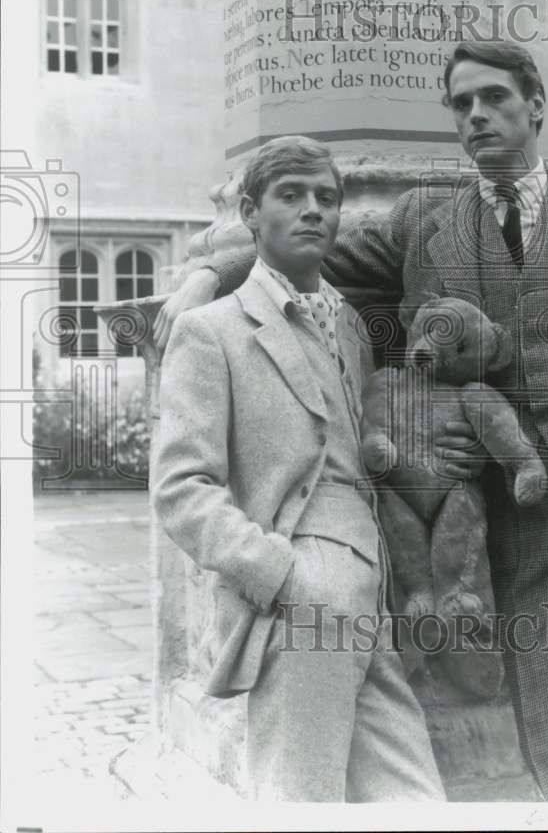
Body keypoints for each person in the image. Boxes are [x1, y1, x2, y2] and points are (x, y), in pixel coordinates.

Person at [154, 41, 548, 804]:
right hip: (517, 497)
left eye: (494, 99)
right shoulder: (425, 221)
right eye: (461, 105)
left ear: (536, 104)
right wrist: (204, 275)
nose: (477, 116)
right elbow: (307, 250)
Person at [152, 135, 447, 802]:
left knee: (417, 800)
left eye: (327, 198)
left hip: (374, 601)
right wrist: (281, 574)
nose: (313, 210)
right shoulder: (212, 332)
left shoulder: (350, 326)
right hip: (300, 598)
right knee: (297, 797)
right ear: (251, 212)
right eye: (292, 196)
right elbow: (180, 490)